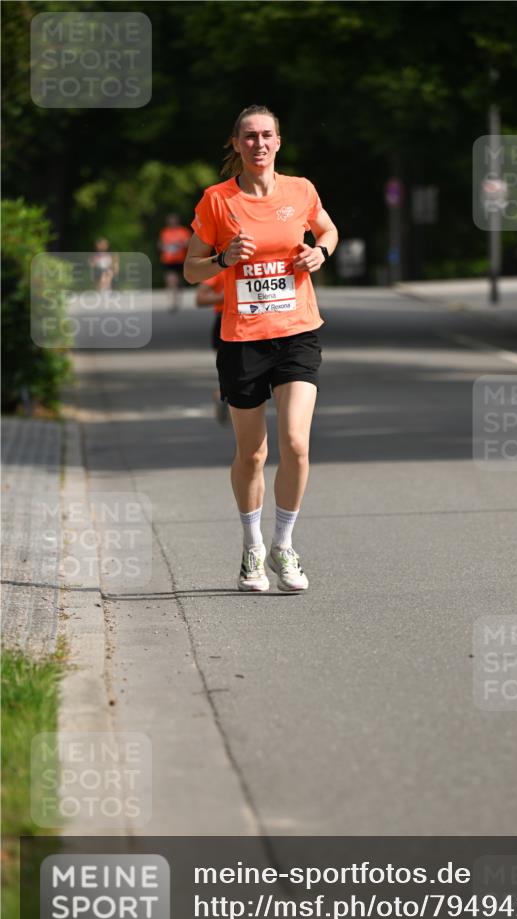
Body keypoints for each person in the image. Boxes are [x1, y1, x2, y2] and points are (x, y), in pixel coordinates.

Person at [184, 104, 338, 593]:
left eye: (267, 135)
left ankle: (283, 544)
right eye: (249, 137)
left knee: (295, 443)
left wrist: (321, 252)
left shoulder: (301, 190)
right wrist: (222, 258)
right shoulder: (217, 201)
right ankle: (252, 548)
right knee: (252, 453)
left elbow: (328, 230)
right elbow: (192, 270)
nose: (259, 144)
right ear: (236, 144)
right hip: (242, 339)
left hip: (297, 331)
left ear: (279, 141)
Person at [195, 272, 229, 423]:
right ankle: (223, 394)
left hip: (259, 321)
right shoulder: (221, 266)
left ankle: (223, 394)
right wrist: (226, 296)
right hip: (225, 321)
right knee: (230, 371)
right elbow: (200, 299)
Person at [158, 214, 191, 311]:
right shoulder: (165, 232)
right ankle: (172, 301)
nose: (172, 223)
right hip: (168, 260)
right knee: (171, 280)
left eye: (174, 221)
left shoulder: (183, 231)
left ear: (177, 221)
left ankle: (178, 297)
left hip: (180, 260)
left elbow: (189, 243)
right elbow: (160, 244)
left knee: (179, 281)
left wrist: (180, 244)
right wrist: (164, 246)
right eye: (170, 221)